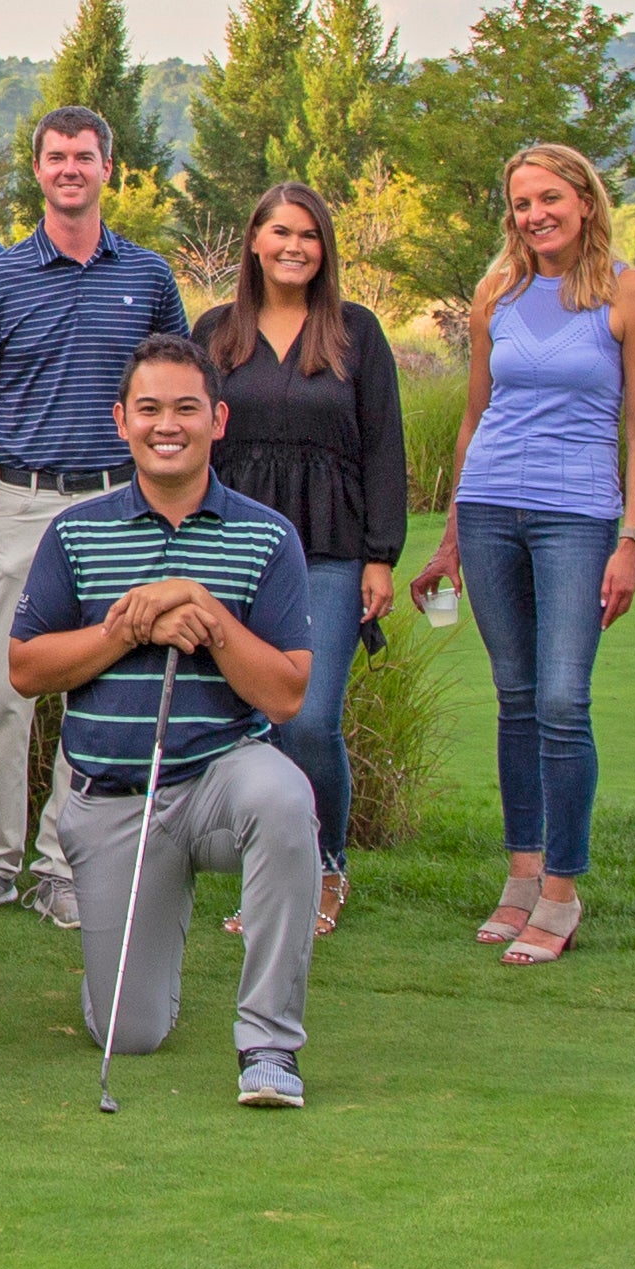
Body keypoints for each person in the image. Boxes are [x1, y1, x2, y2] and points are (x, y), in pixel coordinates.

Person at [11, 335, 322, 1107]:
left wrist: (207, 612)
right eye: (149, 409)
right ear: (122, 421)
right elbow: (25, 669)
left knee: (285, 799)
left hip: (221, 779)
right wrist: (129, 629)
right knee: (130, 1030)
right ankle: (146, 948)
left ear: (218, 418)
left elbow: (286, 695)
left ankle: (269, 1046)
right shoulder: (77, 532)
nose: (167, 424)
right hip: (117, 797)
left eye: (187, 408)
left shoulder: (266, 535)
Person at [0, 106, 191, 924]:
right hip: (21, 502)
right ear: (38, 170)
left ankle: (63, 865)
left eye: (85, 155)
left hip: (122, 504)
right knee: (6, 685)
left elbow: (177, 399)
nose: (70, 168)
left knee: (104, 688)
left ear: (107, 168)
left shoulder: (147, 276)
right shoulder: (0, 279)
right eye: (56, 157)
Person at [417, 141, 635, 970]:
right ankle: (521, 876)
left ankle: (562, 889)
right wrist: (451, 534)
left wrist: (631, 539)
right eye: (523, 204)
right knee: (515, 695)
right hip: (489, 508)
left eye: (551, 199)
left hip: (579, 520)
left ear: (585, 201)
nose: (536, 215)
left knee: (563, 700)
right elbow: (474, 417)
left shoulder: (628, 294)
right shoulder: (500, 290)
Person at [202, 178, 406, 934]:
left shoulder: (356, 333)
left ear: (325, 249)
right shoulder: (216, 333)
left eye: (308, 235)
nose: (293, 246)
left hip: (330, 551)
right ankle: (269, 877)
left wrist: (380, 557)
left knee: (310, 719)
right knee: (253, 723)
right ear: (254, 241)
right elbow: (190, 440)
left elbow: (385, 447)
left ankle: (326, 867)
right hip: (235, 552)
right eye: (279, 232)